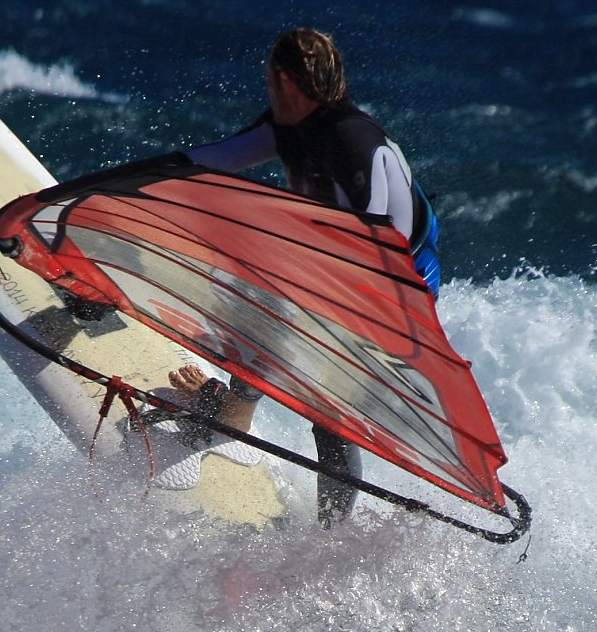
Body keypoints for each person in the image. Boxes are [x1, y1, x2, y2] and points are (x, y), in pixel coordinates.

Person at [167, 27, 440, 527]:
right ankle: (235, 413)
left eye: (268, 78)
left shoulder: (352, 141)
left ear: (286, 80)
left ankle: (330, 537)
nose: (266, 86)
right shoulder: (287, 125)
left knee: (328, 414)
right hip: (337, 266)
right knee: (257, 297)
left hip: (397, 283)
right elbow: (216, 159)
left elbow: (375, 245)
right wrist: (132, 182)